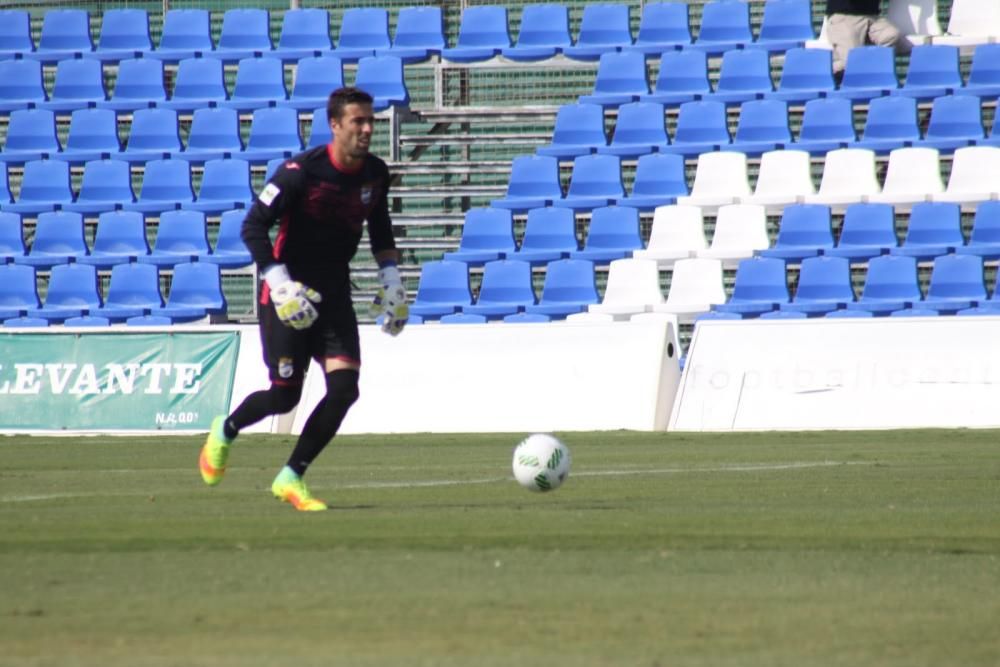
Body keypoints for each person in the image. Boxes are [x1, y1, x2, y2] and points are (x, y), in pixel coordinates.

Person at [198, 87, 409, 512]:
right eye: (358, 122)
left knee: (345, 388)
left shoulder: (375, 174)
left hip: (333, 295)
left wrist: (391, 277)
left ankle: (291, 475)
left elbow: (380, 228)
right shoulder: (299, 173)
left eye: (370, 121)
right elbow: (253, 227)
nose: (368, 129)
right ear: (335, 125)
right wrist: (278, 283)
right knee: (284, 396)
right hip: (286, 296)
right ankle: (226, 429)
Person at [826, 0, 909, 79]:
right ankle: (831, 69)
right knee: (852, 64)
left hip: (873, 17)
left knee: (894, 36)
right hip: (844, 16)